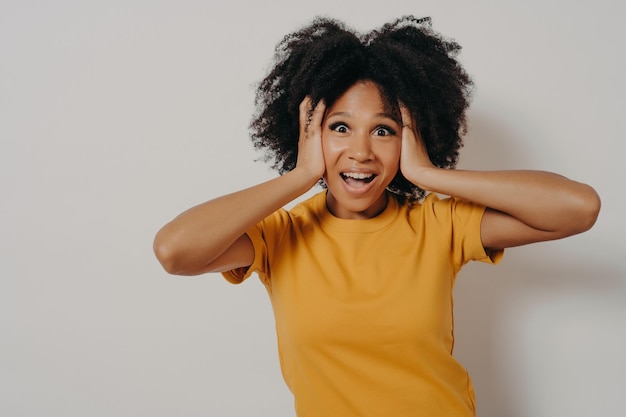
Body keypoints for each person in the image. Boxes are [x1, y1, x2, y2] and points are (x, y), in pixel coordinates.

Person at [153, 15, 600, 417]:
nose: (361, 151)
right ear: (308, 134)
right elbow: (175, 251)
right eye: (340, 127)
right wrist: (301, 175)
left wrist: (428, 174)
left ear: (411, 138)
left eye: (383, 130)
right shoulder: (279, 236)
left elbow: (578, 208)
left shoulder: (438, 226)